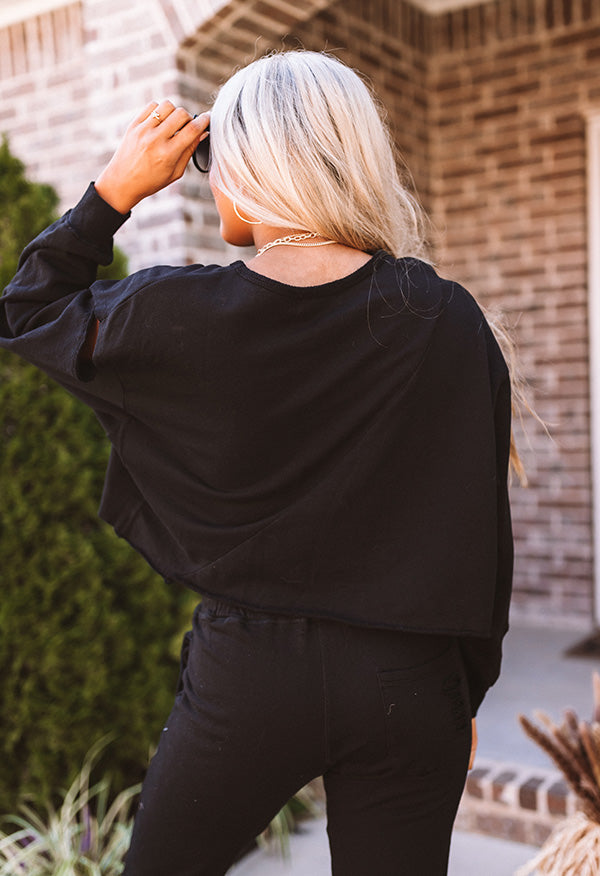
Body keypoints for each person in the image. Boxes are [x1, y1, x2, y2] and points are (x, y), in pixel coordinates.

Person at [0, 50, 516, 875]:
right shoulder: (443, 316)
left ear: (255, 164)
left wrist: (115, 191)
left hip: (249, 675)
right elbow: (481, 532)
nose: (209, 180)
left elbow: (28, 307)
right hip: (410, 678)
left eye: (212, 157)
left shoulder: (175, 313)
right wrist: (463, 691)